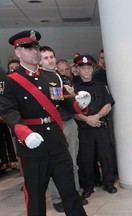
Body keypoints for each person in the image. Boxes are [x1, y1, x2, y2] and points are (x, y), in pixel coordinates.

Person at [0, 30, 90, 216]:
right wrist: (25, 133)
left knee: (70, 193)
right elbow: (8, 111)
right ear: (18, 52)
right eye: (28, 48)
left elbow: (62, 102)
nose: (34, 51)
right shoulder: (10, 81)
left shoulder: (52, 77)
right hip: (32, 146)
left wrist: (79, 104)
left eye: (36, 47)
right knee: (35, 196)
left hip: (57, 143)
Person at [40, 46, 88, 212]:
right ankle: (57, 198)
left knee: (72, 162)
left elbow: (66, 101)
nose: (50, 60)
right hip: (53, 125)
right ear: (39, 60)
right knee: (55, 164)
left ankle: (73, 194)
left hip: (68, 122)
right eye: (45, 58)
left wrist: (73, 96)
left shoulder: (61, 78)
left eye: (51, 56)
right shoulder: (38, 80)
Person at [73, 55, 117, 198]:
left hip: (100, 125)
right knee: (86, 158)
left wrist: (96, 117)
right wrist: (87, 119)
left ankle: (109, 183)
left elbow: (108, 104)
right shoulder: (73, 88)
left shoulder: (101, 85)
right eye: (83, 68)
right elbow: (71, 110)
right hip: (84, 128)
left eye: (89, 68)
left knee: (106, 156)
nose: (86, 71)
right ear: (78, 70)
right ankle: (88, 186)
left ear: (92, 69)